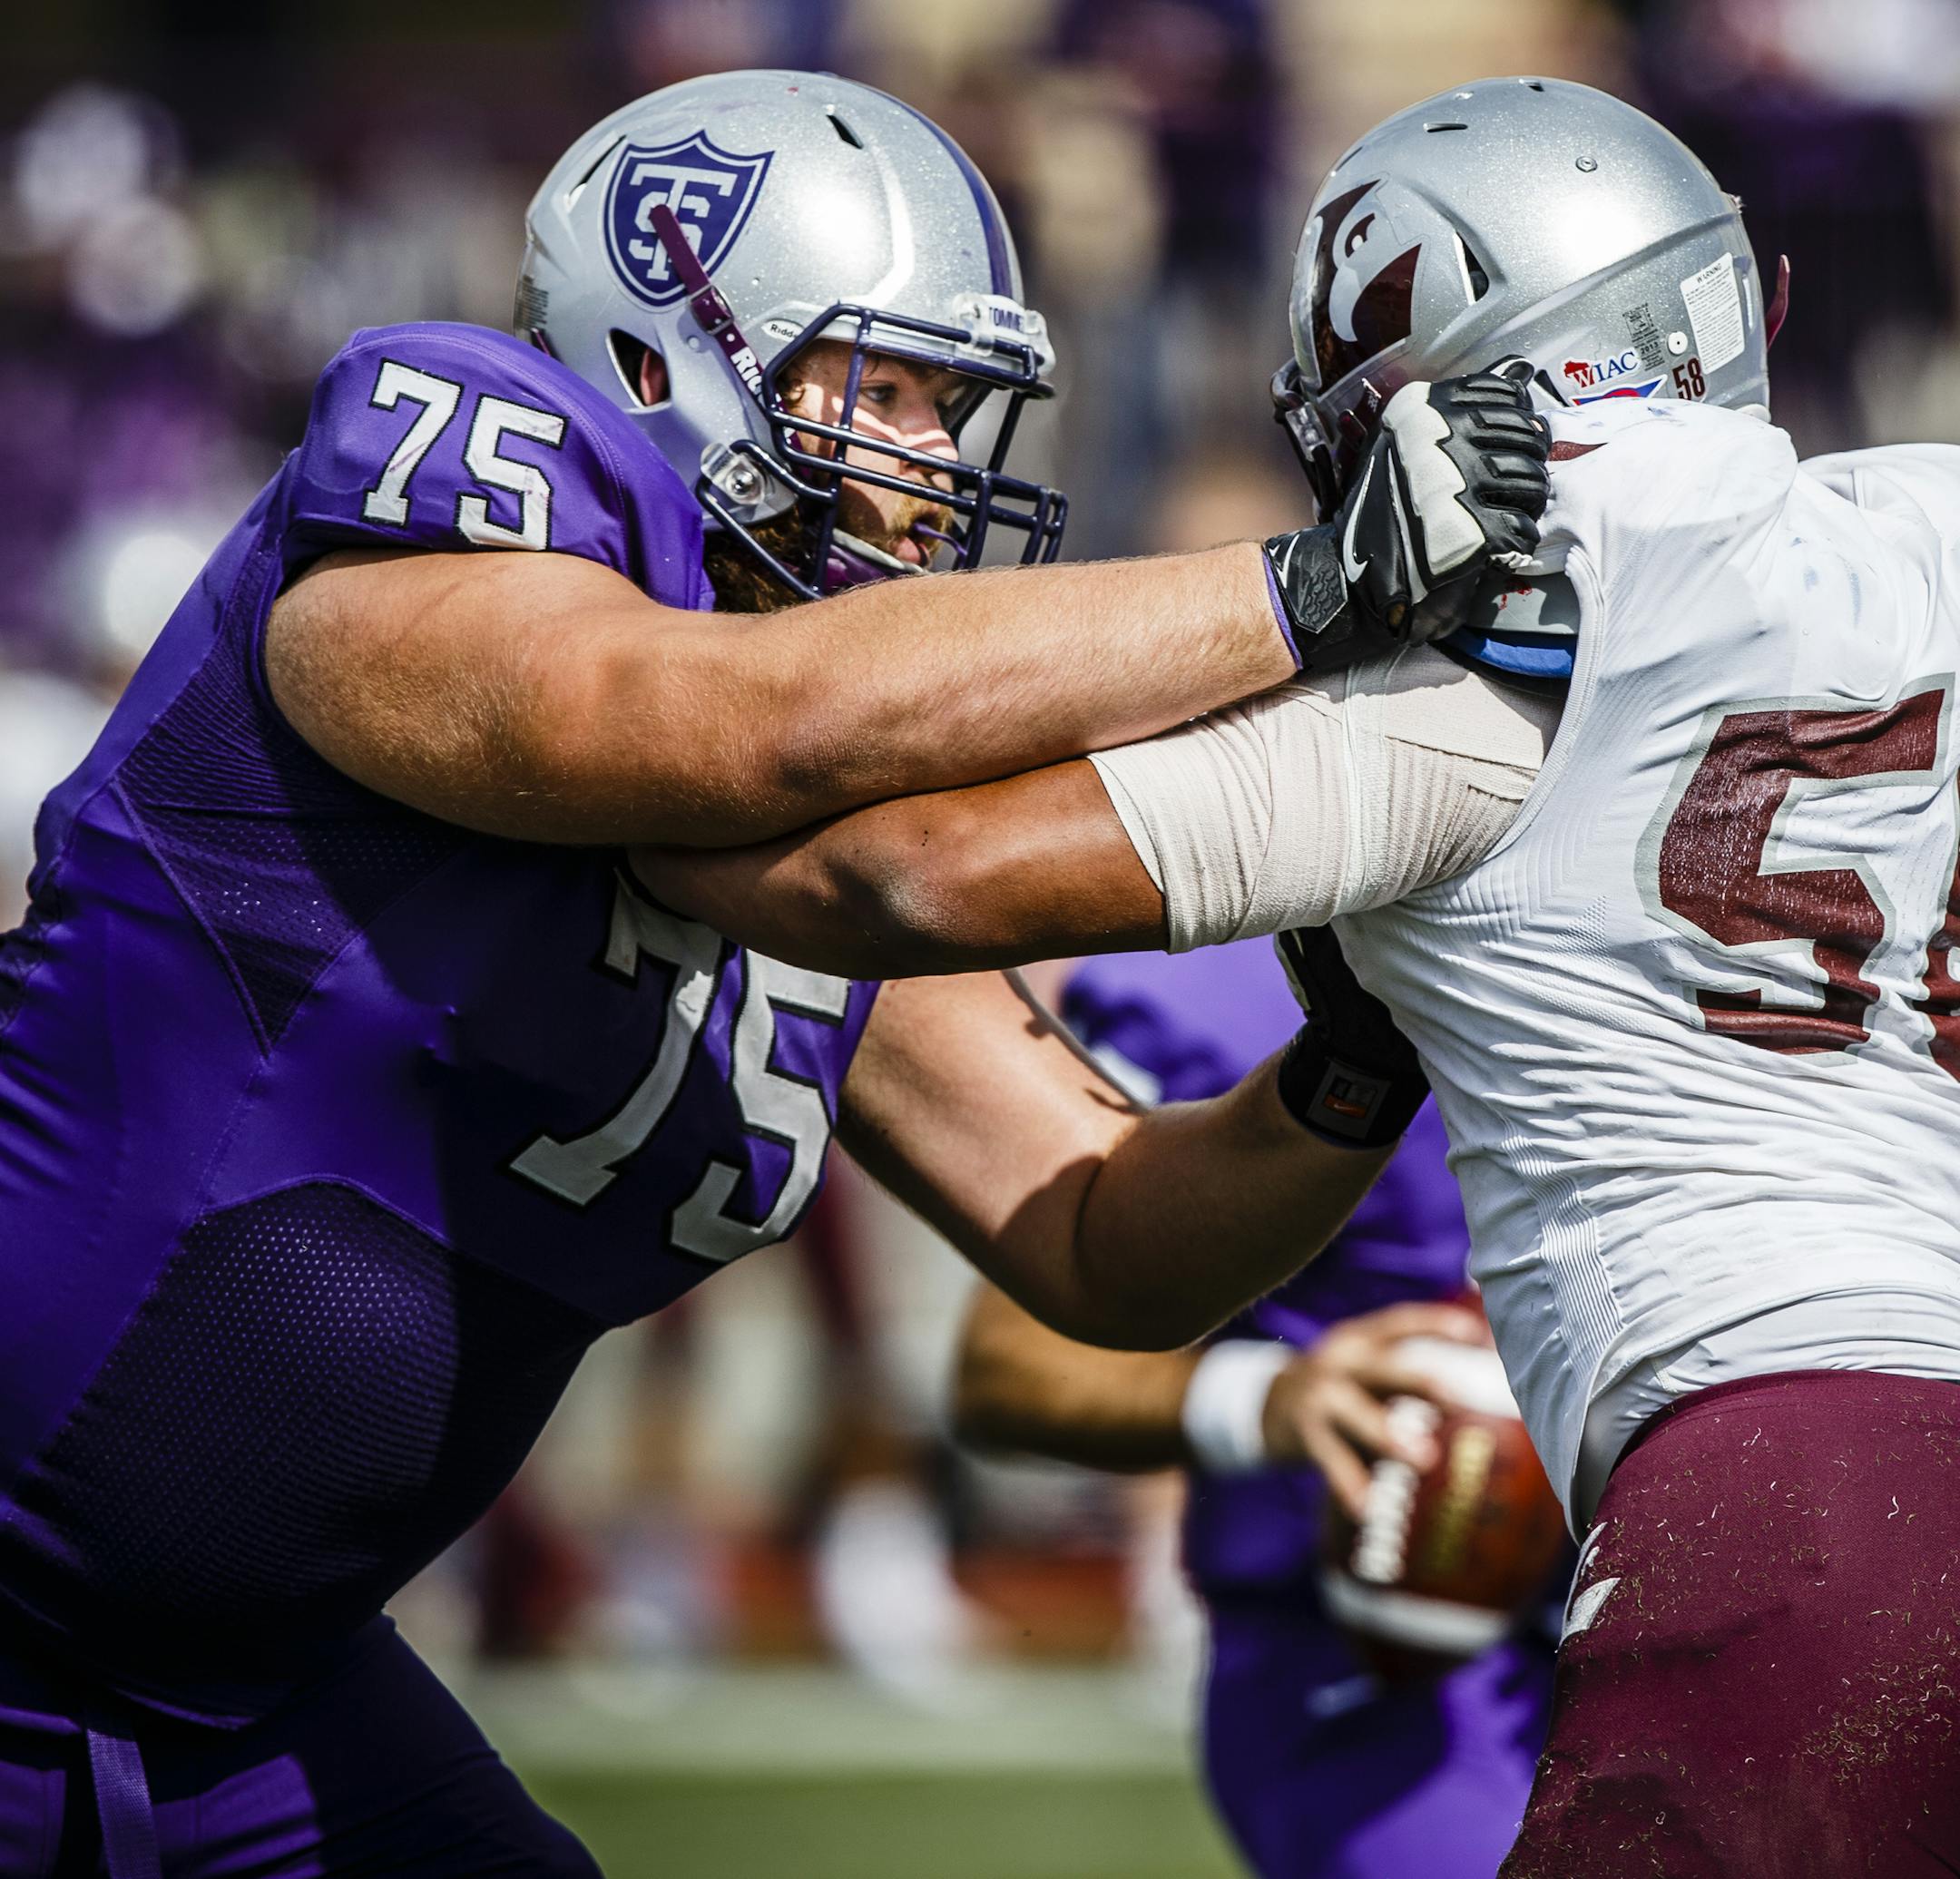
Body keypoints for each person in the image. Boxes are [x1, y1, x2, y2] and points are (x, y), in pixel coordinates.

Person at [0, 68, 1544, 1878]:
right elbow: (686, 719)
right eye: (889, 388)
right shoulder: (450, 502)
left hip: (243, 1703)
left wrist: (1347, 1069)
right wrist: (1308, 588)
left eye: (963, 412)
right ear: (666, 345)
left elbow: (1101, 1233)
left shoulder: (824, 813)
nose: (942, 466)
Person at [638, 74, 1960, 1874]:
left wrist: (572, 754)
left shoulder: (1492, 687)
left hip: (1780, 1491)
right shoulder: (1927, 533)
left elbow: (899, 874)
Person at [953, 941, 1555, 1879]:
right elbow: (1009, 1365)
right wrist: (1266, 1396)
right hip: (1386, 1645)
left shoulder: (1714, 906)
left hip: (1695, 1589)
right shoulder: (1217, 995)